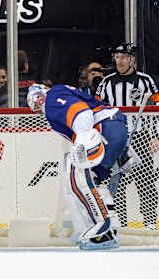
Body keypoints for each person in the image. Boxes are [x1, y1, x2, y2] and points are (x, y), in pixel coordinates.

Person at [27, 83, 129, 250]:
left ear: (38, 98)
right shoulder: (61, 93)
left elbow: (81, 113)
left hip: (103, 129)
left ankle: (102, 229)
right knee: (96, 183)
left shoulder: (51, 98)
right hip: (113, 128)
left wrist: (83, 142)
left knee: (77, 175)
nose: (39, 111)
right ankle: (111, 231)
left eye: (36, 107)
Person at [96, 43, 159, 230]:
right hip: (115, 139)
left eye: (124, 57)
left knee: (145, 180)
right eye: (117, 57)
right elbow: (98, 111)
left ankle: (149, 221)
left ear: (132, 59)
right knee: (115, 181)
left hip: (139, 136)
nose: (120, 61)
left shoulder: (146, 81)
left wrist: (156, 136)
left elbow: (157, 109)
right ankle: (120, 222)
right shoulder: (106, 83)